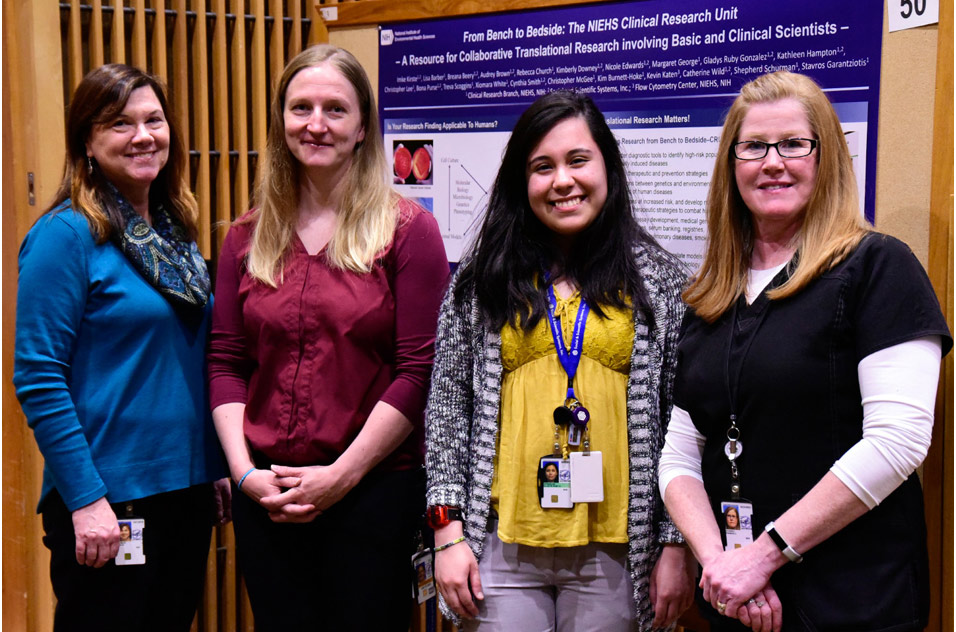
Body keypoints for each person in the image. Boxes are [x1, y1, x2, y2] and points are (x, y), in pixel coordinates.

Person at [658, 70, 952, 632]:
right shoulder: (710, 294)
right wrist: (722, 565)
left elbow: (899, 441)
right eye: (754, 147)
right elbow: (680, 453)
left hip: (852, 598)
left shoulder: (878, 268)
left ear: (826, 157)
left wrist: (764, 556)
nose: (774, 162)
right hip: (735, 600)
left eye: (794, 144)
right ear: (731, 165)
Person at [425, 90, 696, 632]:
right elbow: (447, 412)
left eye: (578, 160)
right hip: (501, 546)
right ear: (522, 183)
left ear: (607, 167)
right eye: (542, 167)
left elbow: (681, 425)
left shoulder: (662, 283)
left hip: (618, 552)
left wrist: (675, 543)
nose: (562, 181)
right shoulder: (481, 283)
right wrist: (446, 531)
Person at [207, 44, 448, 631]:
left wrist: (341, 477)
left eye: (335, 109)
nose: (315, 124)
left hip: (370, 495)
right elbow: (226, 362)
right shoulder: (245, 236)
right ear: (281, 120)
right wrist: (245, 477)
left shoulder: (409, 232)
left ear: (363, 126)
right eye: (301, 108)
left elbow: (418, 372)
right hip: (269, 494)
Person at [13, 64, 229, 632]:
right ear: (87, 139)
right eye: (120, 123)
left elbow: (187, 357)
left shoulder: (172, 232)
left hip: (183, 492)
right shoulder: (65, 235)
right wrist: (85, 500)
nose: (142, 135)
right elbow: (38, 376)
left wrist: (216, 462)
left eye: (153, 120)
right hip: (108, 500)